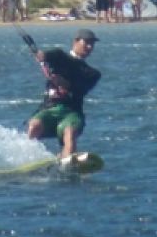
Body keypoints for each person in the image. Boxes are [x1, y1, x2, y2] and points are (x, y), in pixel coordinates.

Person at [26, 28, 102, 157]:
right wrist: (41, 56)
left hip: (72, 113)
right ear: (76, 41)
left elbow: (80, 89)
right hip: (50, 109)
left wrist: (63, 83)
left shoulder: (92, 73)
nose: (89, 47)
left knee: (69, 132)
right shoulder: (59, 56)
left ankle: (67, 159)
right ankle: (27, 155)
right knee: (34, 126)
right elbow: (45, 56)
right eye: (86, 42)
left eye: (92, 44)